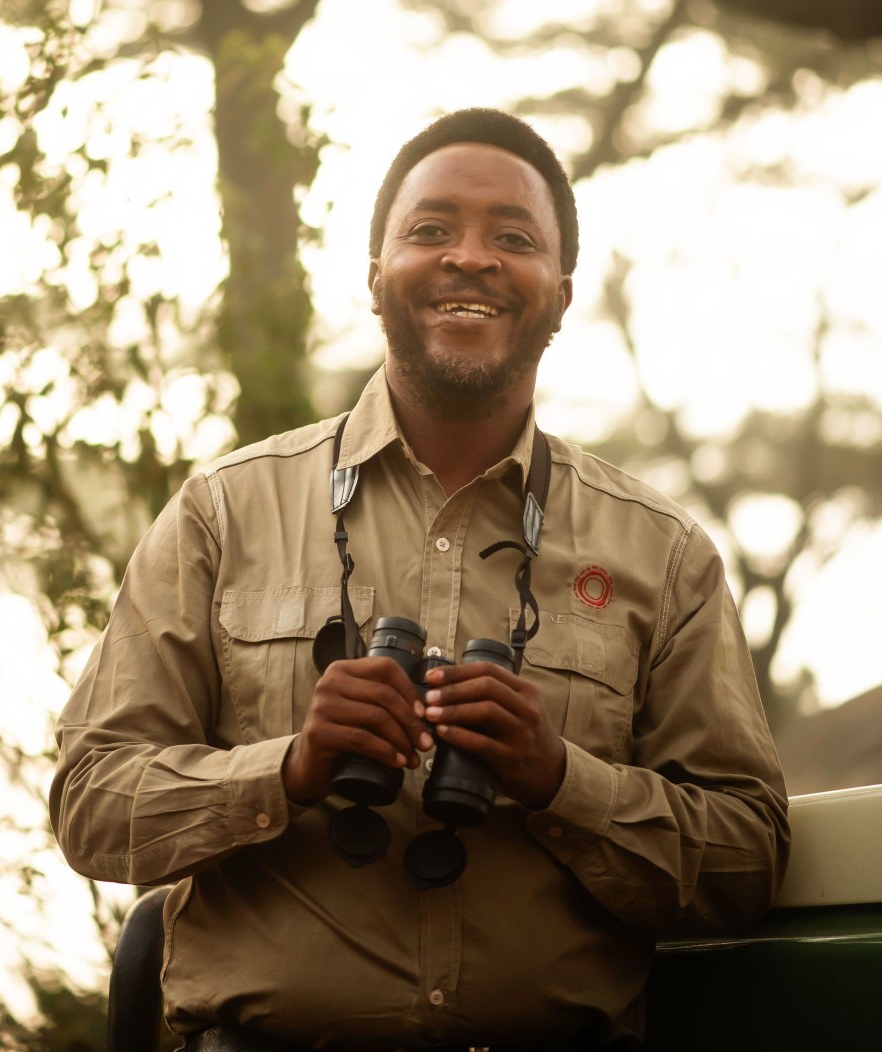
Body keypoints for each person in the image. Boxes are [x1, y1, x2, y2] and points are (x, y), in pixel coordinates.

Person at [50, 108, 789, 1052]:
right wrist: (291, 766)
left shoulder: (664, 553)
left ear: (560, 296)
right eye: (430, 229)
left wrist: (562, 779)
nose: (469, 258)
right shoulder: (222, 513)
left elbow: (747, 856)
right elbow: (91, 802)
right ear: (374, 279)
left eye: (511, 238)